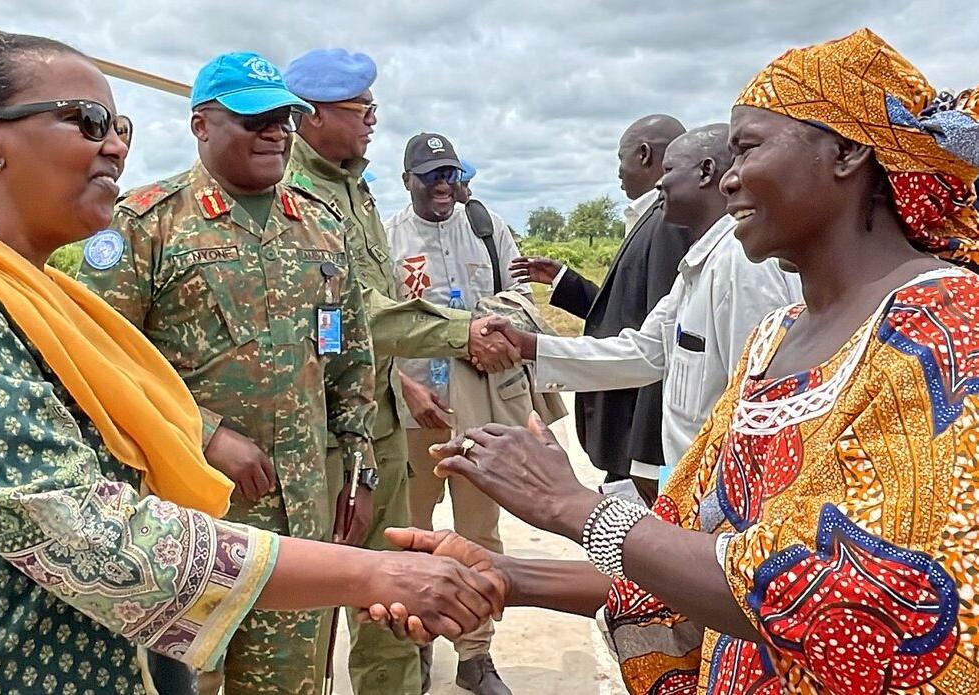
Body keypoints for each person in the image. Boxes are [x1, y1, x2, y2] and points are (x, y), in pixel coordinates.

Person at [381, 28, 979, 695]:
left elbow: (874, 613)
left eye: (748, 146)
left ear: (845, 152)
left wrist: (570, 504)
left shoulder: (945, 331)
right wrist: (507, 574)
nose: (728, 176)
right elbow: (690, 558)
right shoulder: (776, 336)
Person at [0, 32, 504, 695]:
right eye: (88, 121)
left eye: (119, 125)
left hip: (288, 509)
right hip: (142, 560)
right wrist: (364, 568)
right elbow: (89, 530)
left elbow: (351, 355)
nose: (115, 143)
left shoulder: (45, 297)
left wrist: (354, 465)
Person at [76, 51, 378, 694]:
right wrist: (204, 432)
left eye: (284, 119)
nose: (276, 132)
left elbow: (352, 361)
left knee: (291, 684)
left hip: (301, 515)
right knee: (185, 682)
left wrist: (359, 472)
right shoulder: (145, 225)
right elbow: (95, 363)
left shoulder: (323, 226)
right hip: (190, 518)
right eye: (254, 119)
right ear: (202, 124)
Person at [281, 48, 519, 695]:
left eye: (372, 109)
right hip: (326, 432)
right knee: (316, 600)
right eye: (360, 110)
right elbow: (358, 313)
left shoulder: (355, 190)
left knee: (392, 585)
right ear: (312, 117)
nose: (371, 120)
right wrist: (453, 335)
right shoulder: (293, 196)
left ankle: (447, 666)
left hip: (381, 422)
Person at [491, 123, 801, 471]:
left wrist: (647, 463)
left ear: (706, 172)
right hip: (688, 481)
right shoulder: (700, 264)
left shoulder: (740, 265)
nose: (659, 183)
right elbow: (645, 352)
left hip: (721, 488)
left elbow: (757, 403)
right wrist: (530, 346)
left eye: (669, 170)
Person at [385, 133, 525, 695]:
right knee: (411, 531)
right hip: (414, 408)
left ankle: (475, 654)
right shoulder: (386, 237)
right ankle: (414, 643)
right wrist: (401, 384)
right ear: (407, 181)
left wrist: (492, 330)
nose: (443, 185)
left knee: (481, 532)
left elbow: (520, 298)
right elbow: (368, 324)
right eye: (429, 176)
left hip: (483, 405)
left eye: (449, 174)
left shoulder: (487, 229)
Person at [509, 115, 693, 502]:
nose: (619, 172)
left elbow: (663, 344)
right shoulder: (651, 217)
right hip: (626, 426)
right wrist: (567, 283)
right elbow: (635, 314)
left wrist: (645, 455)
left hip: (636, 437)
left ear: (644, 155)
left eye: (620, 158)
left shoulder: (669, 221)